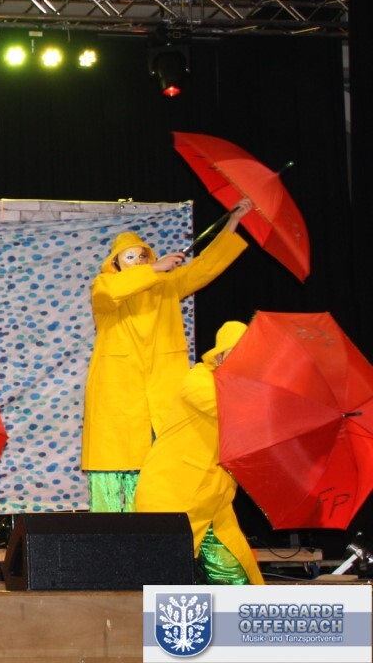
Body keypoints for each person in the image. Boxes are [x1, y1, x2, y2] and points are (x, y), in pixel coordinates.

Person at [82, 197, 253, 512]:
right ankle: (109, 534)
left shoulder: (167, 286)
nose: (137, 261)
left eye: (142, 256)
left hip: (163, 390)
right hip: (119, 392)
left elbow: (206, 266)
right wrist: (154, 269)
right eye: (129, 257)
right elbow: (112, 292)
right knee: (113, 467)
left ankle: (162, 528)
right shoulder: (104, 286)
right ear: (115, 264)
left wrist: (233, 221)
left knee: (164, 465)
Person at [135, 321, 264, 584]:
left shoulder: (249, 392)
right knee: (165, 582)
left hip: (214, 504)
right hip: (172, 499)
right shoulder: (198, 380)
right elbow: (233, 412)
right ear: (219, 355)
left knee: (239, 580)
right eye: (237, 353)